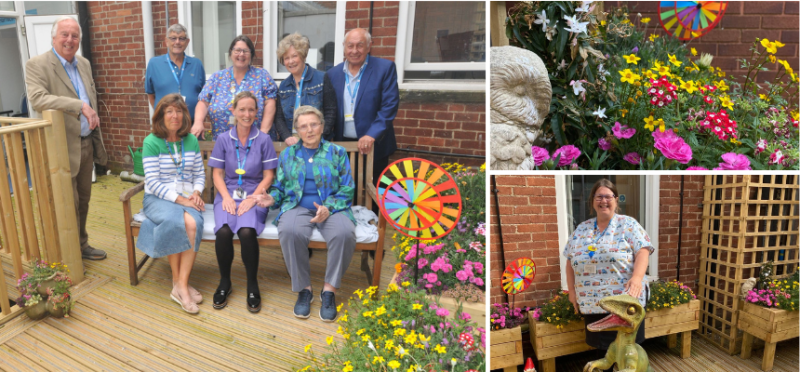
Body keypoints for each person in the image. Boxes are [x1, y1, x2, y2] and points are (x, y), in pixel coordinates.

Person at [250, 106, 355, 322]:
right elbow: (279, 186)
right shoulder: (289, 154)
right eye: (303, 126)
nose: (309, 130)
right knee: (289, 230)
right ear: (297, 130)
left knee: (344, 233)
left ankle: (329, 291)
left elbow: (347, 189)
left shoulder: (337, 153)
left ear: (322, 126)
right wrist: (272, 198)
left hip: (331, 207)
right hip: (296, 206)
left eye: (314, 124)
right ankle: (304, 289)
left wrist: (329, 207)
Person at [25, 16, 109, 260]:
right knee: (65, 202)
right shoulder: (38, 64)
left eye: (75, 36)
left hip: (85, 143)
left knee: (83, 200)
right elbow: (38, 98)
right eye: (64, 34)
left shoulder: (83, 63)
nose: (70, 40)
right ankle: (66, 251)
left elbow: (90, 98)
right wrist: (79, 105)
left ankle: (81, 245)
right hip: (60, 147)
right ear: (54, 37)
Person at [207, 91, 278, 313]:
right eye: (242, 109)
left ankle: (252, 284)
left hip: (255, 193)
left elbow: (269, 176)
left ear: (256, 112)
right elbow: (217, 174)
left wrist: (252, 198)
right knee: (224, 232)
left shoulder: (264, 140)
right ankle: (225, 282)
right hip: (227, 193)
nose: (246, 114)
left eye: (251, 110)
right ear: (233, 111)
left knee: (247, 232)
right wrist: (226, 197)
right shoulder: (223, 139)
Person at [563, 179, 654, 350]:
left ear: (616, 200)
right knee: (602, 353)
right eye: (598, 197)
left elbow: (643, 250)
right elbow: (570, 260)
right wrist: (572, 292)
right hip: (593, 303)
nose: (603, 201)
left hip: (624, 303)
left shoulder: (628, 224)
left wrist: (636, 278)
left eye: (608, 196)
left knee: (627, 354)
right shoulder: (581, 229)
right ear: (592, 201)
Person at [137, 93, 206, 314]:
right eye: (169, 111)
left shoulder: (191, 140)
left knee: (192, 224)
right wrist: (181, 199)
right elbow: (153, 182)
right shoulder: (152, 141)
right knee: (182, 222)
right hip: (158, 199)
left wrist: (196, 192)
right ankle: (181, 287)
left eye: (178, 111)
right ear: (161, 116)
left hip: (185, 198)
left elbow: (199, 174)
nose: (174, 116)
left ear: (184, 115)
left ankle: (180, 284)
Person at [327, 28, 399, 187]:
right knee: (345, 188)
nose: (354, 51)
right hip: (343, 144)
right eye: (350, 46)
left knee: (373, 189)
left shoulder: (385, 69)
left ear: (369, 46)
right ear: (344, 47)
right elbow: (329, 109)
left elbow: (389, 105)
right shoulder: (333, 74)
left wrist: (371, 135)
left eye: (359, 46)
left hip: (373, 143)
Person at [192, 35, 278, 141]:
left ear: (251, 54)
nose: (241, 54)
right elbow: (203, 102)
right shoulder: (217, 77)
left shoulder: (262, 76)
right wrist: (198, 122)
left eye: (245, 51)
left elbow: (270, 103)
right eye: (237, 50)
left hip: (256, 143)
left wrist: (263, 133)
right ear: (230, 53)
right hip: (223, 143)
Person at [274, 32, 336, 145]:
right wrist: (287, 137)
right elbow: (279, 118)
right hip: (292, 144)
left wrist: (318, 137)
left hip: (317, 142)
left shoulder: (322, 79)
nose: (291, 61)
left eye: (294, 56)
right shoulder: (283, 85)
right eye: (286, 58)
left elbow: (330, 111)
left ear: (303, 55)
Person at [145, 24, 205, 120]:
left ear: (187, 42)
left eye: (181, 38)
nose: (177, 42)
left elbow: (203, 95)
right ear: (166, 41)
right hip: (164, 126)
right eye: (173, 38)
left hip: (192, 125)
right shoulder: (154, 64)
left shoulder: (196, 64)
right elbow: (151, 94)